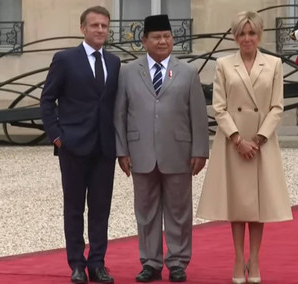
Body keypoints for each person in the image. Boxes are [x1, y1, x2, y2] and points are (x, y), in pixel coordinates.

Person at [196, 11, 294, 284]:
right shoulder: (224, 64)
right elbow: (219, 107)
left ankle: (256, 258)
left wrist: (259, 139)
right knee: (238, 203)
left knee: (258, 205)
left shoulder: (274, 64)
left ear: (259, 35)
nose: (247, 38)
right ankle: (239, 258)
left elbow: (277, 107)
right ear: (234, 36)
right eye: (242, 33)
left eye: (252, 33)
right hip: (233, 142)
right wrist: (238, 139)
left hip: (262, 141)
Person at [114, 14, 209, 283]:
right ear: (144, 40)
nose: (162, 41)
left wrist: (200, 150)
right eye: (156, 37)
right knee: (145, 212)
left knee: (179, 211)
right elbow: (120, 114)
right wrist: (122, 151)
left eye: (167, 36)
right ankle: (150, 262)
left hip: (178, 152)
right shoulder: (128, 72)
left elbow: (198, 116)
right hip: (140, 152)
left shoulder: (188, 72)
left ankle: (177, 261)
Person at [39, 6, 120, 284]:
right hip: (73, 146)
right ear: (83, 28)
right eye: (95, 25)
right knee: (74, 208)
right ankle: (76, 264)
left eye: (104, 26)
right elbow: (47, 100)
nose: (100, 30)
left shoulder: (114, 62)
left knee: (100, 209)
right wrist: (56, 136)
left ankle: (97, 263)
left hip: (104, 148)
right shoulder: (65, 60)